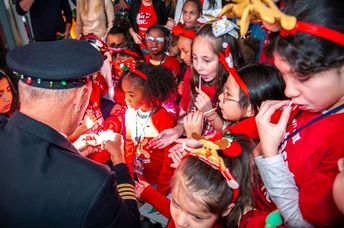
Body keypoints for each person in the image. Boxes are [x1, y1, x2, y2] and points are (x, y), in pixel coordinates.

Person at [0, 39, 140, 227]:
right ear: (82, 96)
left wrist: (72, 152)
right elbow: (130, 223)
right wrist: (119, 161)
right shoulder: (94, 184)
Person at [254, 0, 344, 226]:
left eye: (302, 78)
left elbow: (303, 222)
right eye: (283, 75)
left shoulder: (339, 144)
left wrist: (270, 155)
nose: (288, 90)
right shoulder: (309, 101)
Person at [136, 134, 269, 227]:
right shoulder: (187, 213)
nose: (180, 222)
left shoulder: (246, 221)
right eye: (176, 204)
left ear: (226, 210)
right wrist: (148, 194)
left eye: (197, 217)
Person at [149, 22, 240, 149]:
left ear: (226, 58)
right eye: (195, 58)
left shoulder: (236, 90)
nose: (198, 66)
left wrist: (210, 114)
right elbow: (190, 114)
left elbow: (233, 139)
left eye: (206, 60)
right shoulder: (196, 78)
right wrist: (178, 130)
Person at [121, 63, 177, 195]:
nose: (126, 99)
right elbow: (129, 147)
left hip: (159, 184)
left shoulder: (163, 119)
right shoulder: (130, 113)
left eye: (131, 95)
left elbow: (169, 159)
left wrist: (161, 191)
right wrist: (129, 177)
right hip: (139, 179)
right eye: (125, 93)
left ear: (149, 92)